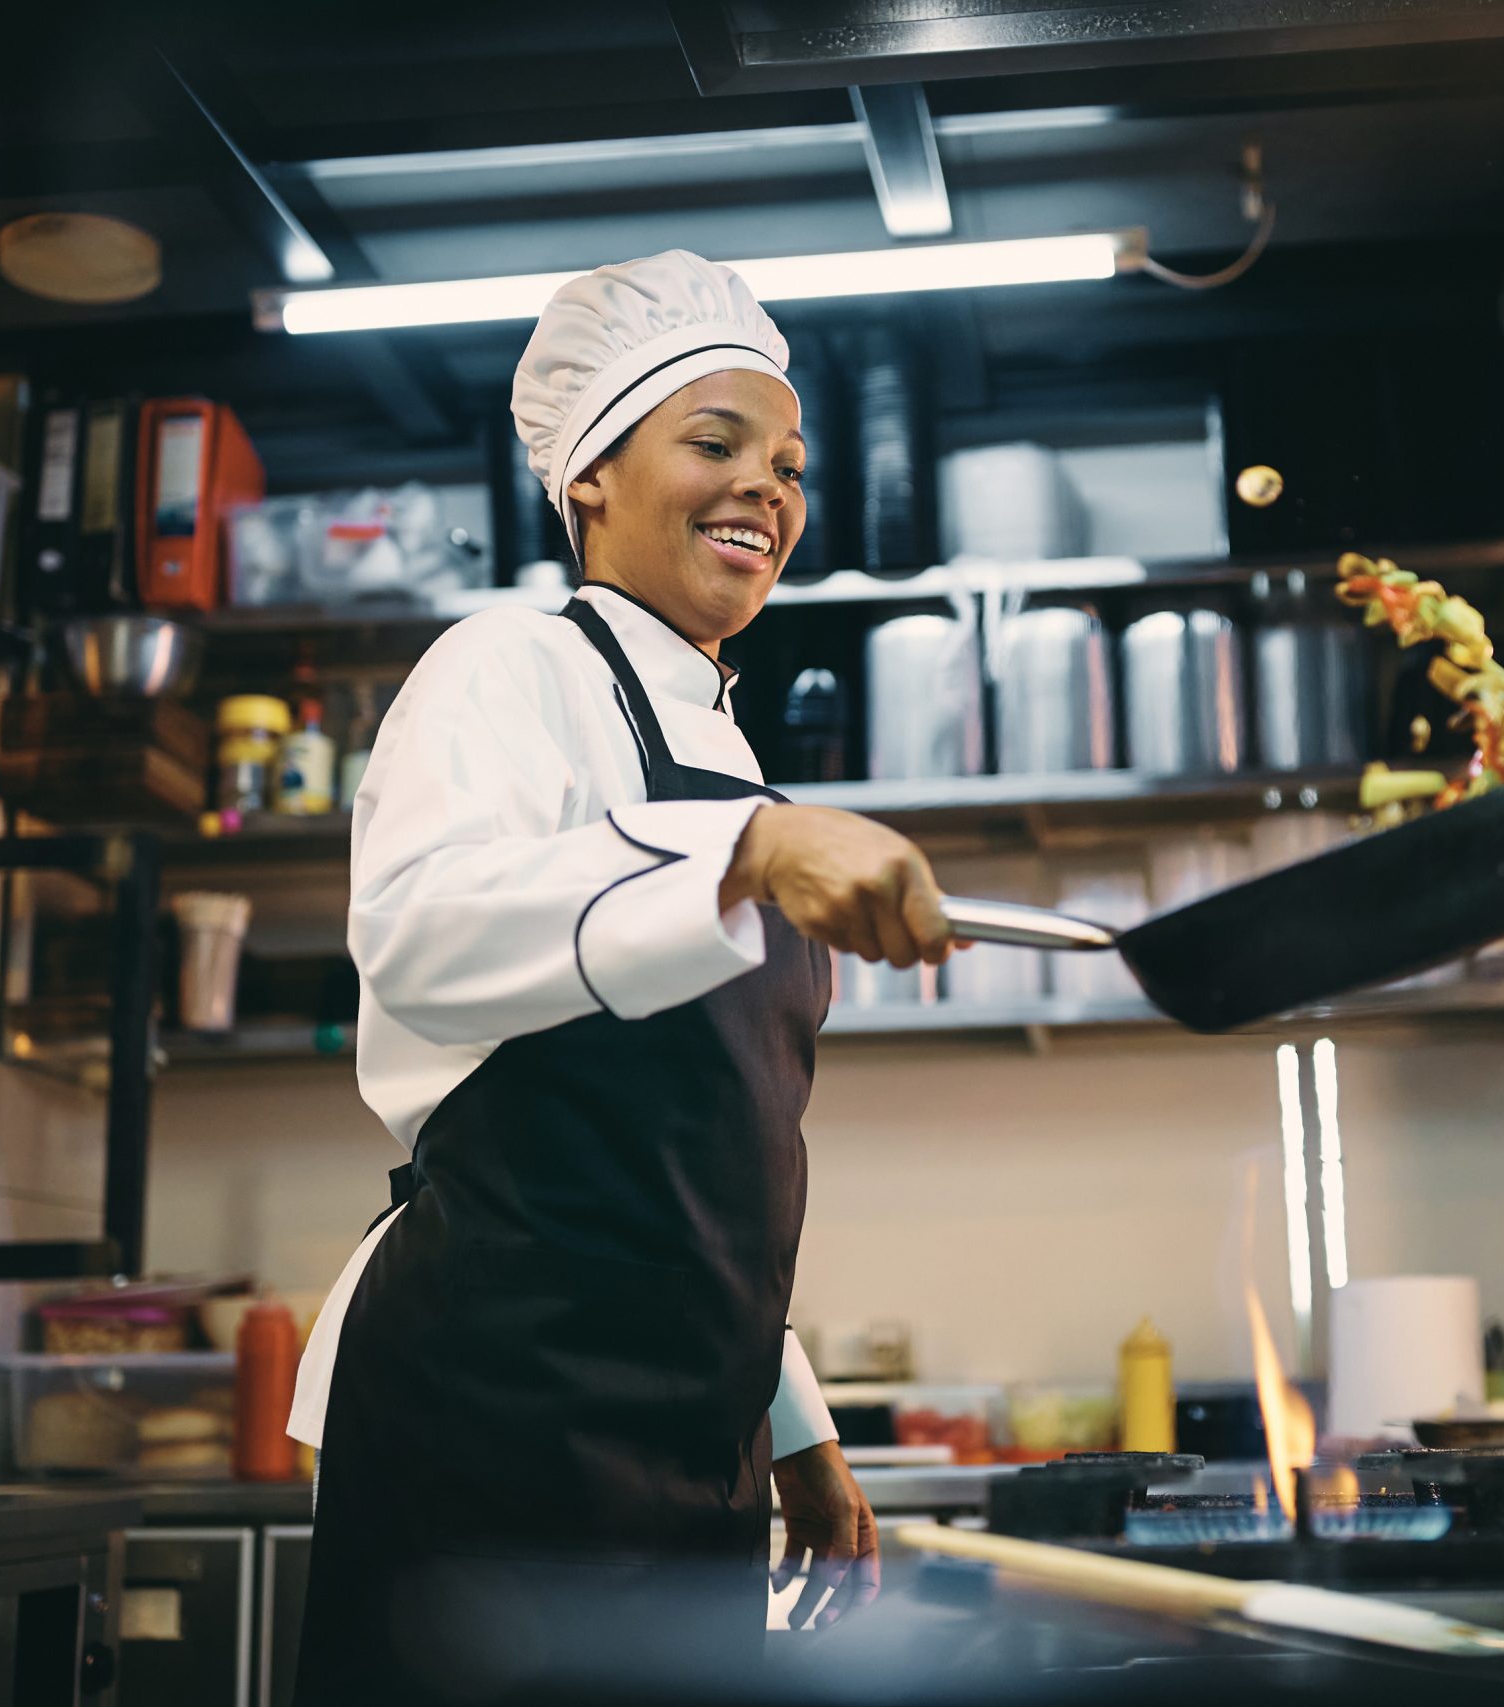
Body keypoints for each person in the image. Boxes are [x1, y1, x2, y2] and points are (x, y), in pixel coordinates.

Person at [288, 251, 958, 1702]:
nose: (765, 492)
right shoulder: (505, 665)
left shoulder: (733, 761)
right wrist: (744, 859)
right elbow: (417, 929)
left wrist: (800, 1435)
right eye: (713, 444)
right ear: (589, 474)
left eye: (787, 465)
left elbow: (698, 1177)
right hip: (496, 1413)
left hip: (687, 1440)